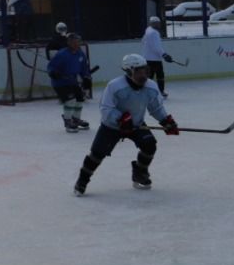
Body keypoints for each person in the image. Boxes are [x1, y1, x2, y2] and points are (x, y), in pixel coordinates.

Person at [72, 53, 178, 195]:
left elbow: (156, 107)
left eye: (145, 70)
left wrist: (165, 120)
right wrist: (120, 119)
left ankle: (140, 173)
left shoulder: (151, 87)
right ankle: (82, 181)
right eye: (139, 71)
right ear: (129, 72)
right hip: (112, 126)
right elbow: (106, 108)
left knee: (149, 145)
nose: (144, 75)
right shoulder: (115, 86)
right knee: (97, 154)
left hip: (136, 125)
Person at [47, 32, 93, 133]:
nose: (76, 43)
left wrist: (86, 78)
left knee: (80, 98)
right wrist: (53, 73)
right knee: (70, 100)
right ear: (69, 42)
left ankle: (76, 118)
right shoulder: (62, 54)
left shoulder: (80, 54)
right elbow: (51, 66)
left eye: (78, 41)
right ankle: (68, 121)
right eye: (73, 41)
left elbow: (84, 68)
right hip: (60, 83)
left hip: (72, 81)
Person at [141, 16, 175, 97]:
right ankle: (161, 91)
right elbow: (156, 46)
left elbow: (143, 41)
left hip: (147, 57)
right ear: (153, 24)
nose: (158, 24)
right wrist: (164, 54)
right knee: (160, 76)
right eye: (156, 23)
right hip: (155, 59)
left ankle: (144, 92)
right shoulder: (154, 33)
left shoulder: (148, 30)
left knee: (149, 76)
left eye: (158, 23)